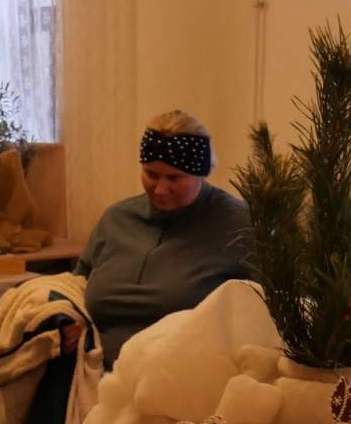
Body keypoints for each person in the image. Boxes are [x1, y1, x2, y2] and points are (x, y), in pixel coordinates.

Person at [74, 110, 254, 367]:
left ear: (202, 173)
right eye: (151, 174)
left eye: (174, 178)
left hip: (182, 376)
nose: (160, 189)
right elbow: (76, 284)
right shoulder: (117, 219)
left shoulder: (239, 225)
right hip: (95, 372)